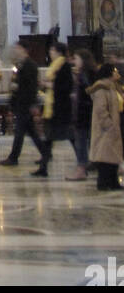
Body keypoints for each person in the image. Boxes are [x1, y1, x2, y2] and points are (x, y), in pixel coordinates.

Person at [0, 43, 45, 167]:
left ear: (24, 50)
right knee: (31, 132)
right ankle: (45, 153)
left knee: (20, 132)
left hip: (25, 104)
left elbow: (31, 87)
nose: (15, 51)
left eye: (17, 49)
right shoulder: (21, 65)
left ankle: (13, 158)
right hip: (22, 104)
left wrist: (32, 104)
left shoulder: (30, 65)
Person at [32, 41, 73, 179]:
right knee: (48, 139)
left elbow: (66, 86)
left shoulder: (64, 66)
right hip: (53, 107)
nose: (50, 52)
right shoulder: (54, 66)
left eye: (52, 50)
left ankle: (83, 163)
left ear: (59, 52)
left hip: (60, 108)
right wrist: (45, 85)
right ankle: (43, 167)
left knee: (71, 137)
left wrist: (49, 84)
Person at [87, 63, 124, 191]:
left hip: (114, 126)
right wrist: (108, 124)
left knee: (113, 156)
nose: (117, 73)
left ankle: (113, 182)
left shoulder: (113, 86)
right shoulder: (101, 88)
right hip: (106, 129)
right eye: (114, 71)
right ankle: (103, 182)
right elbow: (101, 109)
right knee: (105, 157)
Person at [67, 49, 97, 181]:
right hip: (85, 113)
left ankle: (81, 169)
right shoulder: (86, 73)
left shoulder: (85, 75)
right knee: (86, 142)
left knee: (81, 143)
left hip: (83, 113)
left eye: (76, 59)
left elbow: (89, 93)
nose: (74, 62)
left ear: (83, 60)